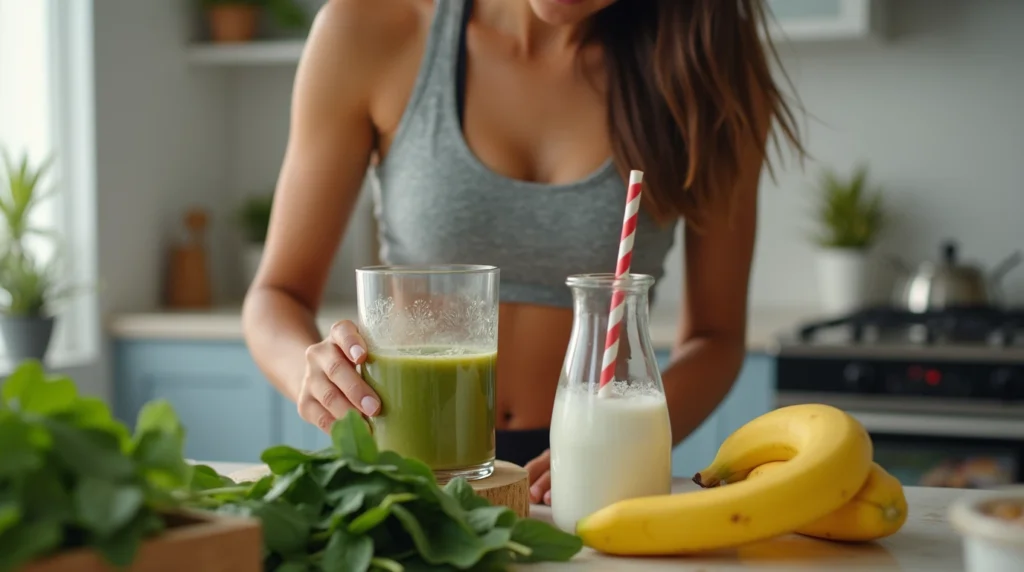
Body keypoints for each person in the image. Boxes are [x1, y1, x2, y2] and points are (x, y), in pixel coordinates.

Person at [242, 0, 803, 506]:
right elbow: (276, 296)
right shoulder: (368, 31)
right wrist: (311, 374)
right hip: (410, 463)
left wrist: (620, 439)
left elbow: (718, 337)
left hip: (592, 474)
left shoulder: (706, 66)